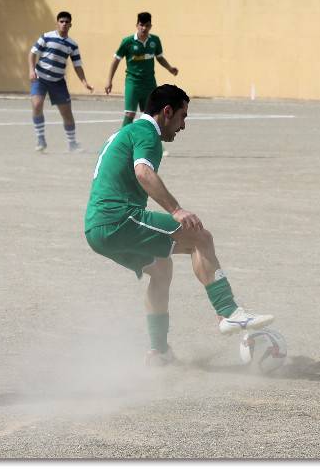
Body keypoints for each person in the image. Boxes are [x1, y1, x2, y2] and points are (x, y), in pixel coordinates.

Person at [84, 84, 274, 366]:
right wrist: (176, 209)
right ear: (167, 111)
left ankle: (159, 352)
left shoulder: (127, 132)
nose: (183, 126)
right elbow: (143, 172)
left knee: (161, 267)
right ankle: (229, 312)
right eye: (183, 116)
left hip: (96, 228)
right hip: (119, 218)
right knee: (200, 236)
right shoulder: (148, 133)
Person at [28, 11, 94, 152]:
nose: (64, 24)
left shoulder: (72, 45)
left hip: (58, 82)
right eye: (61, 21)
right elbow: (32, 53)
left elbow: (77, 65)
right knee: (37, 104)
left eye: (66, 22)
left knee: (66, 113)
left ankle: (72, 144)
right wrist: (31, 70)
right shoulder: (46, 37)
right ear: (57, 23)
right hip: (40, 78)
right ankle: (41, 140)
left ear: (70, 24)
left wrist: (84, 81)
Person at [104, 12, 179, 127]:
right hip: (133, 83)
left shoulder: (155, 41)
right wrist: (109, 80)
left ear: (151, 26)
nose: (144, 28)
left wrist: (169, 68)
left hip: (149, 83)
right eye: (141, 25)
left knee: (150, 115)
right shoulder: (127, 42)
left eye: (147, 25)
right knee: (129, 114)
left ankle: (149, 141)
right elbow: (116, 60)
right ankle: (123, 141)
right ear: (137, 25)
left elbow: (159, 58)